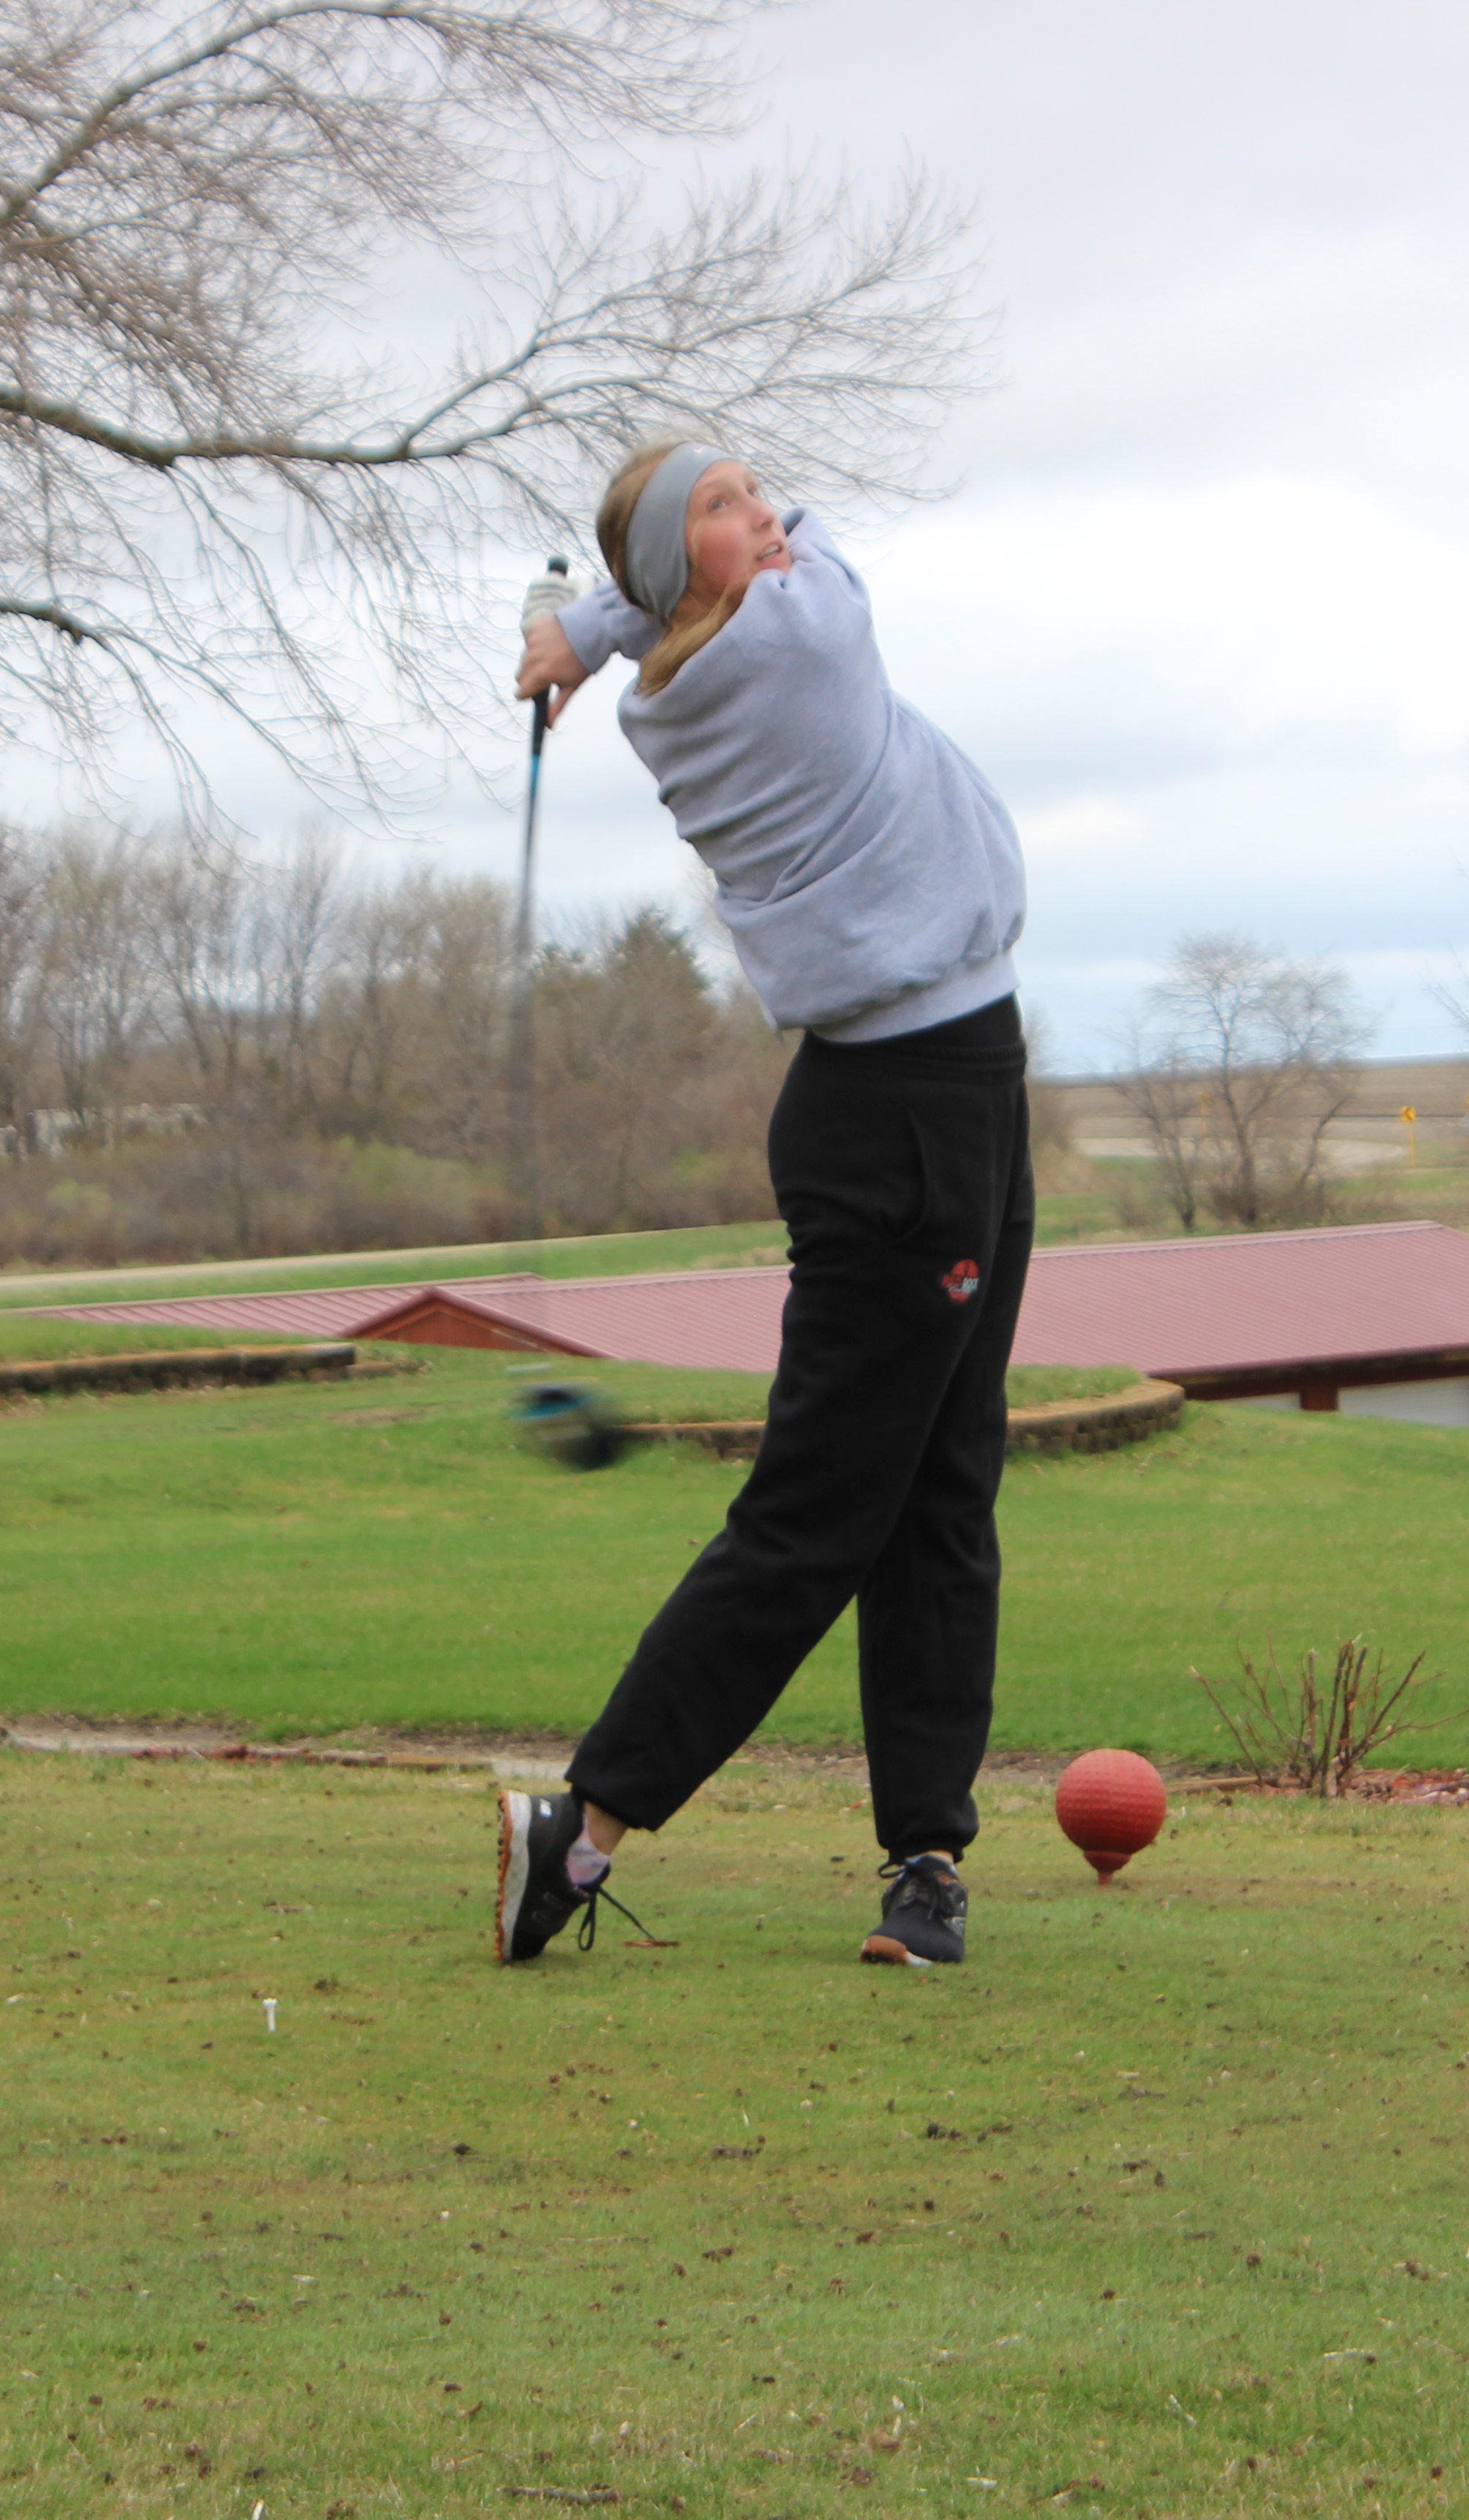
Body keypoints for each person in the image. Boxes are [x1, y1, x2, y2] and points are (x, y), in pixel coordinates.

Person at [494, 439, 1033, 1970]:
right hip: (907, 1118)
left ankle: (925, 1865)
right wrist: (599, 622)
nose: (765, 515)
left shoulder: (677, 677)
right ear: (691, 574)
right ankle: (584, 1831)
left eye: (752, 491)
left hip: (953, 1084)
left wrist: (590, 634)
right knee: (819, 1515)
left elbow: (671, 591)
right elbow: (806, 544)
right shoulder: (803, 635)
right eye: (724, 506)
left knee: (944, 1484)